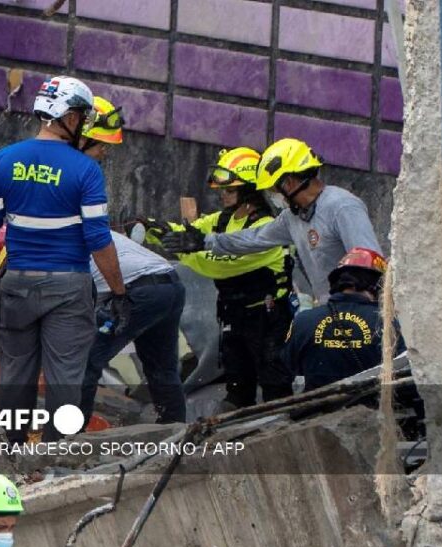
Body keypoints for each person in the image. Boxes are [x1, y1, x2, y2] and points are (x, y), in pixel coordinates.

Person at [0, 76, 128, 443]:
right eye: (82, 116)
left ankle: (11, 453)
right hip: (68, 287)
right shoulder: (85, 171)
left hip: (16, 283)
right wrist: (119, 291)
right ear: (70, 117)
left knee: (15, 372)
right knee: (65, 376)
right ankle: (52, 456)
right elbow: (97, 239)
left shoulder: (3, 160)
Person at [147, 147, 295, 408]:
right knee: (237, 386)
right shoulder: (221, 220)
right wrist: (153, 230)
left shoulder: (267, 228)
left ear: (248, 190)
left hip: (268, 319)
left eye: (229, 190)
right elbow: (187, 232)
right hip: (233, 315)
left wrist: (185, 250)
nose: (222, 195)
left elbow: (220, 266)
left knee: (274, 385)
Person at [75, 100, 187, 423]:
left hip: (142, 289)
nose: (105, 155)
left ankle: (70, 443)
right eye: (102, 146)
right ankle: (176, 434)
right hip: (170, 284)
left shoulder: (64, 246)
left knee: (86, 361)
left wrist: (121, 296)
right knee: (161, 367)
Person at [161, 138, 379, 301]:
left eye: (274, 189)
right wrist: (205, 241)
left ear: (290, 183)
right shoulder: (293, 217)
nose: (273, 197)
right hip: (329, 309)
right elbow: (253, 239)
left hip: (361, 310)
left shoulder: (342, 207)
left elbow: (371, 261)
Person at [282, 247, 405, 390]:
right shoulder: (386, 322)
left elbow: (288, 365)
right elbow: (400, 368)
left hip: (317, 409)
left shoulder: (303, 321)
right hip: (372, 408)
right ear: (378, 286)